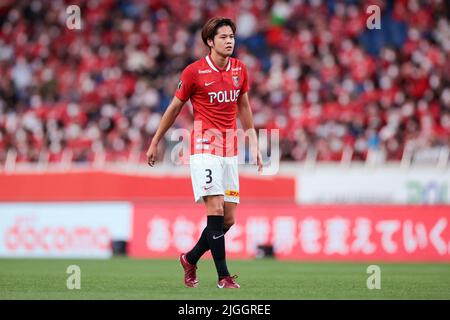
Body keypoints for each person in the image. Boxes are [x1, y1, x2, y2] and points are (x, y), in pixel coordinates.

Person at [146, 17, 262, 289]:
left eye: (231, 36)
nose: (230, 40)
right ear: (210, 41)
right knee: (216, 209)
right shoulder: (194, 72)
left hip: (230, 150)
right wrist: (155, 141)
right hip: (203, 148)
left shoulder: (240, 70)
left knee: (228, 220)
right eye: (223, 37)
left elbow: (243, 107)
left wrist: (254, 143)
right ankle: (223, 277)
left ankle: (190, 257)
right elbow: (174, 108)